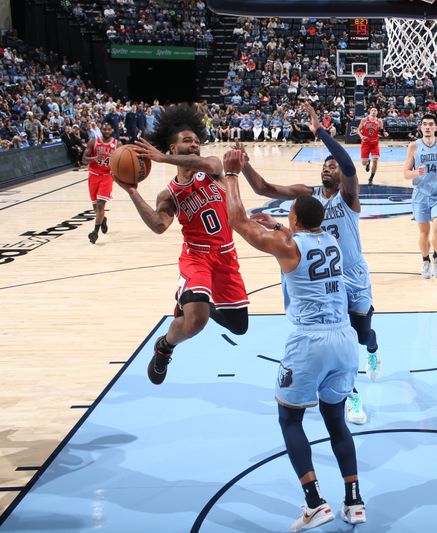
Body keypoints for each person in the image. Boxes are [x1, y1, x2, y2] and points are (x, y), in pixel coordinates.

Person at [222, 152, 367, 531]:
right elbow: (301, 236)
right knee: (336, 419)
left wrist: (231, 175)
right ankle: (354, 501)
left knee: (289, 418)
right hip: (344, 340)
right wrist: (279, 225)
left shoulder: (289, 245)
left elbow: (238, 220)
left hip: (311, 341)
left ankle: (315, 501)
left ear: (295, 220)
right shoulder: (332, 240)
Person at [239, 102, 380, 425]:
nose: (330, 167)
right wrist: (245, 166)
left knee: (362, 334)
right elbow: (265, 188)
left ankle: (373, 347)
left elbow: (348, 165)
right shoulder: (309, 195)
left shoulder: (348, 196)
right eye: (326, 165)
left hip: (354, 274)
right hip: (324, 280)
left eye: (333, 165)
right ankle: (351, 395)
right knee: (341, 337)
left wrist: (320, 132)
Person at [116, 104, 249, 384]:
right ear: (172, 147)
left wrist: (163, 159)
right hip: (196, 257)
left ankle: (191, 300)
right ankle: (165, 346)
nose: (194, 145)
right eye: (187, 141)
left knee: (239, 326)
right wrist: (132, 192)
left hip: (227, 256)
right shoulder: (169, 194)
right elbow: (158, 225)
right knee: (195, 322)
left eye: (196, 141)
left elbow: (211, 163)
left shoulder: (212, 169)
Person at [403, 114, 437, 278]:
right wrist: (415, 173)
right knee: (424, 233)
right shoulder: (414, 146)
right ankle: (425, 261)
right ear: (420, 127)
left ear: (435, 127)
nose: (427, 127)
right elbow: (405, 173)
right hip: (420, 195)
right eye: (424, 124)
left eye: (430, 124)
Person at [82, 121, 117, 243]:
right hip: (93, 176)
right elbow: (84, 159)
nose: (106, 131)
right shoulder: (93, 142)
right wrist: (94, 158)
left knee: (101, 205)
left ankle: (95, 232)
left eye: (109, 129)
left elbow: (122, 161)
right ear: (101, 129)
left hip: (107, 176)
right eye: (104, 129)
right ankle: (103, 219)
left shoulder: (117, 144)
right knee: (96, 208)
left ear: (112, 130)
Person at [357, 107, 388, 185]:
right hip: (365, 143)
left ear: (377, 112)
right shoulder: (364, 120)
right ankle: (367, 163)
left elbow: (381, 130)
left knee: (375, 160)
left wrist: (384, 133)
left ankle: (371, 177)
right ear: (369, 112)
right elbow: (358, 130)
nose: (374, 112)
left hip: (374, 143)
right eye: (372, 110)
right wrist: (361, 136)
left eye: (375, 110)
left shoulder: (379, 121)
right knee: (364, 163)